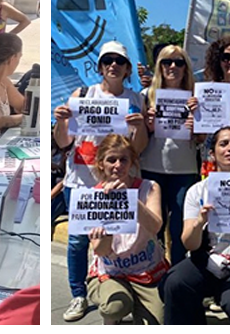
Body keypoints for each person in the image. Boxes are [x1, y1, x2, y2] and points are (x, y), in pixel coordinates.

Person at [52, 41, 150, 322]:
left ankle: (119, 289)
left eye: (119, 61)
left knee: (118, 237)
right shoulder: (83, 95)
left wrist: (140, 125)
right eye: (107, 60)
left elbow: (139, 147)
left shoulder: (136, 99)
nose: (113, 65)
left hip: (119, 182)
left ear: (127, 68)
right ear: (100, 66)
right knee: (77, 241)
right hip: (81, 181)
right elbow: (63, 141)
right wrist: (61, 121)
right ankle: (78, 295)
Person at [163, 125, 230, 324]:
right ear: (212, 154)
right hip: (207, 261)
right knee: (174, 283)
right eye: (223, 144)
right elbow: (189, 243)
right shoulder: (197, 190)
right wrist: (199, 222)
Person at [85, 134, 166, 324]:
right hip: (111, 271)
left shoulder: (150, 187)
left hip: (146, 271)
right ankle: (115, 314)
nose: (117, 165)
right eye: (111, 160)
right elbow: (101, 250)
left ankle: (139, 306)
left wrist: (130, 200)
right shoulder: (93, 196)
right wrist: (107, 232)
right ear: (101, 164)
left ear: (132, 163)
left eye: (124, 160)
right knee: (115, 307)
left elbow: (155, 226)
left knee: (158, 322)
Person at [139, 44, 201, 266]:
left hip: (184, 171)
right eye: (167, 62)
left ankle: (176, 275)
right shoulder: (146, 95)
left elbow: (203, 140)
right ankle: (153, 272)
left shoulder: (196, 97)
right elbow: (136, 137)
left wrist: (198, 126)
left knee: (178, 229)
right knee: (153, 227)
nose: (173, 66)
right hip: (151, 168)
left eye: (179, 62)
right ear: (159, 66)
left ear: (186, 68)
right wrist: (147, 126)